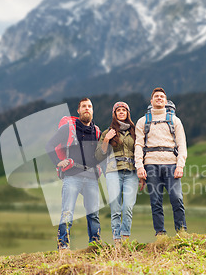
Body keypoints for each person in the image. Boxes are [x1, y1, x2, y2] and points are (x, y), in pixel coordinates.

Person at [45, 98, 101, 250]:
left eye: (89, 106)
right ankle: (63, 246)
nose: (87, 109)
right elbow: (49, 145)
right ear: (78, 110)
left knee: (93, 213)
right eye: (84, 106)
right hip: (72, 175)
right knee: (67, 211)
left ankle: (95, 245)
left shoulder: (96, 131)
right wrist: (57, 162)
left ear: (92, 110)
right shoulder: (69, 128)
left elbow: (97, 154)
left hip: (91, 177)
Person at [135, 87, 187, 236]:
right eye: (156, 96)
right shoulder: (143, 121)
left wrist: (180, 165)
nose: (159, 98)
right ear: (151, 101)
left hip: (172, 164)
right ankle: (160, 234)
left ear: (166, 101)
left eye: (162, 97)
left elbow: (182, 144)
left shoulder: (174, 120)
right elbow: (139, 145)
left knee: (177, 198)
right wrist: (139, 166)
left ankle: (181, 233)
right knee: (155, 201)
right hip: (151, 165)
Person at [96, 102, 138, 246]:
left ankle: (125, 238)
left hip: (132, 172)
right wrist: (107, 139)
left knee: (127, 207)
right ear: (114, 114)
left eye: (124, 110)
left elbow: (140, 152)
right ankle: (117, 242)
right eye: (118, 110)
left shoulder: (135, 131)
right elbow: (98, 155)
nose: (121, 112)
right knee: (115, 208)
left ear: (128, 113)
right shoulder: (107, 132)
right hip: (113, 172)